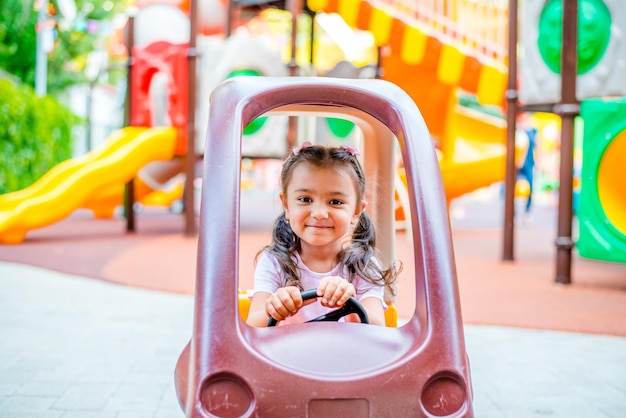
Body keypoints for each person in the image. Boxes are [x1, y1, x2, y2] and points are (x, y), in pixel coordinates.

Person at [246, 142, 399, 327]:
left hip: (345, 355)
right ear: (286, 205)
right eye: (305, 199)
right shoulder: (274, 263)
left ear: (357, 211)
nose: (319, 213)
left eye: (335, 201)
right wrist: (275, 307)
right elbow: (253, 325)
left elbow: (377, 328)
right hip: (286, 354)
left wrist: (350, 305)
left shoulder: (363, 267)